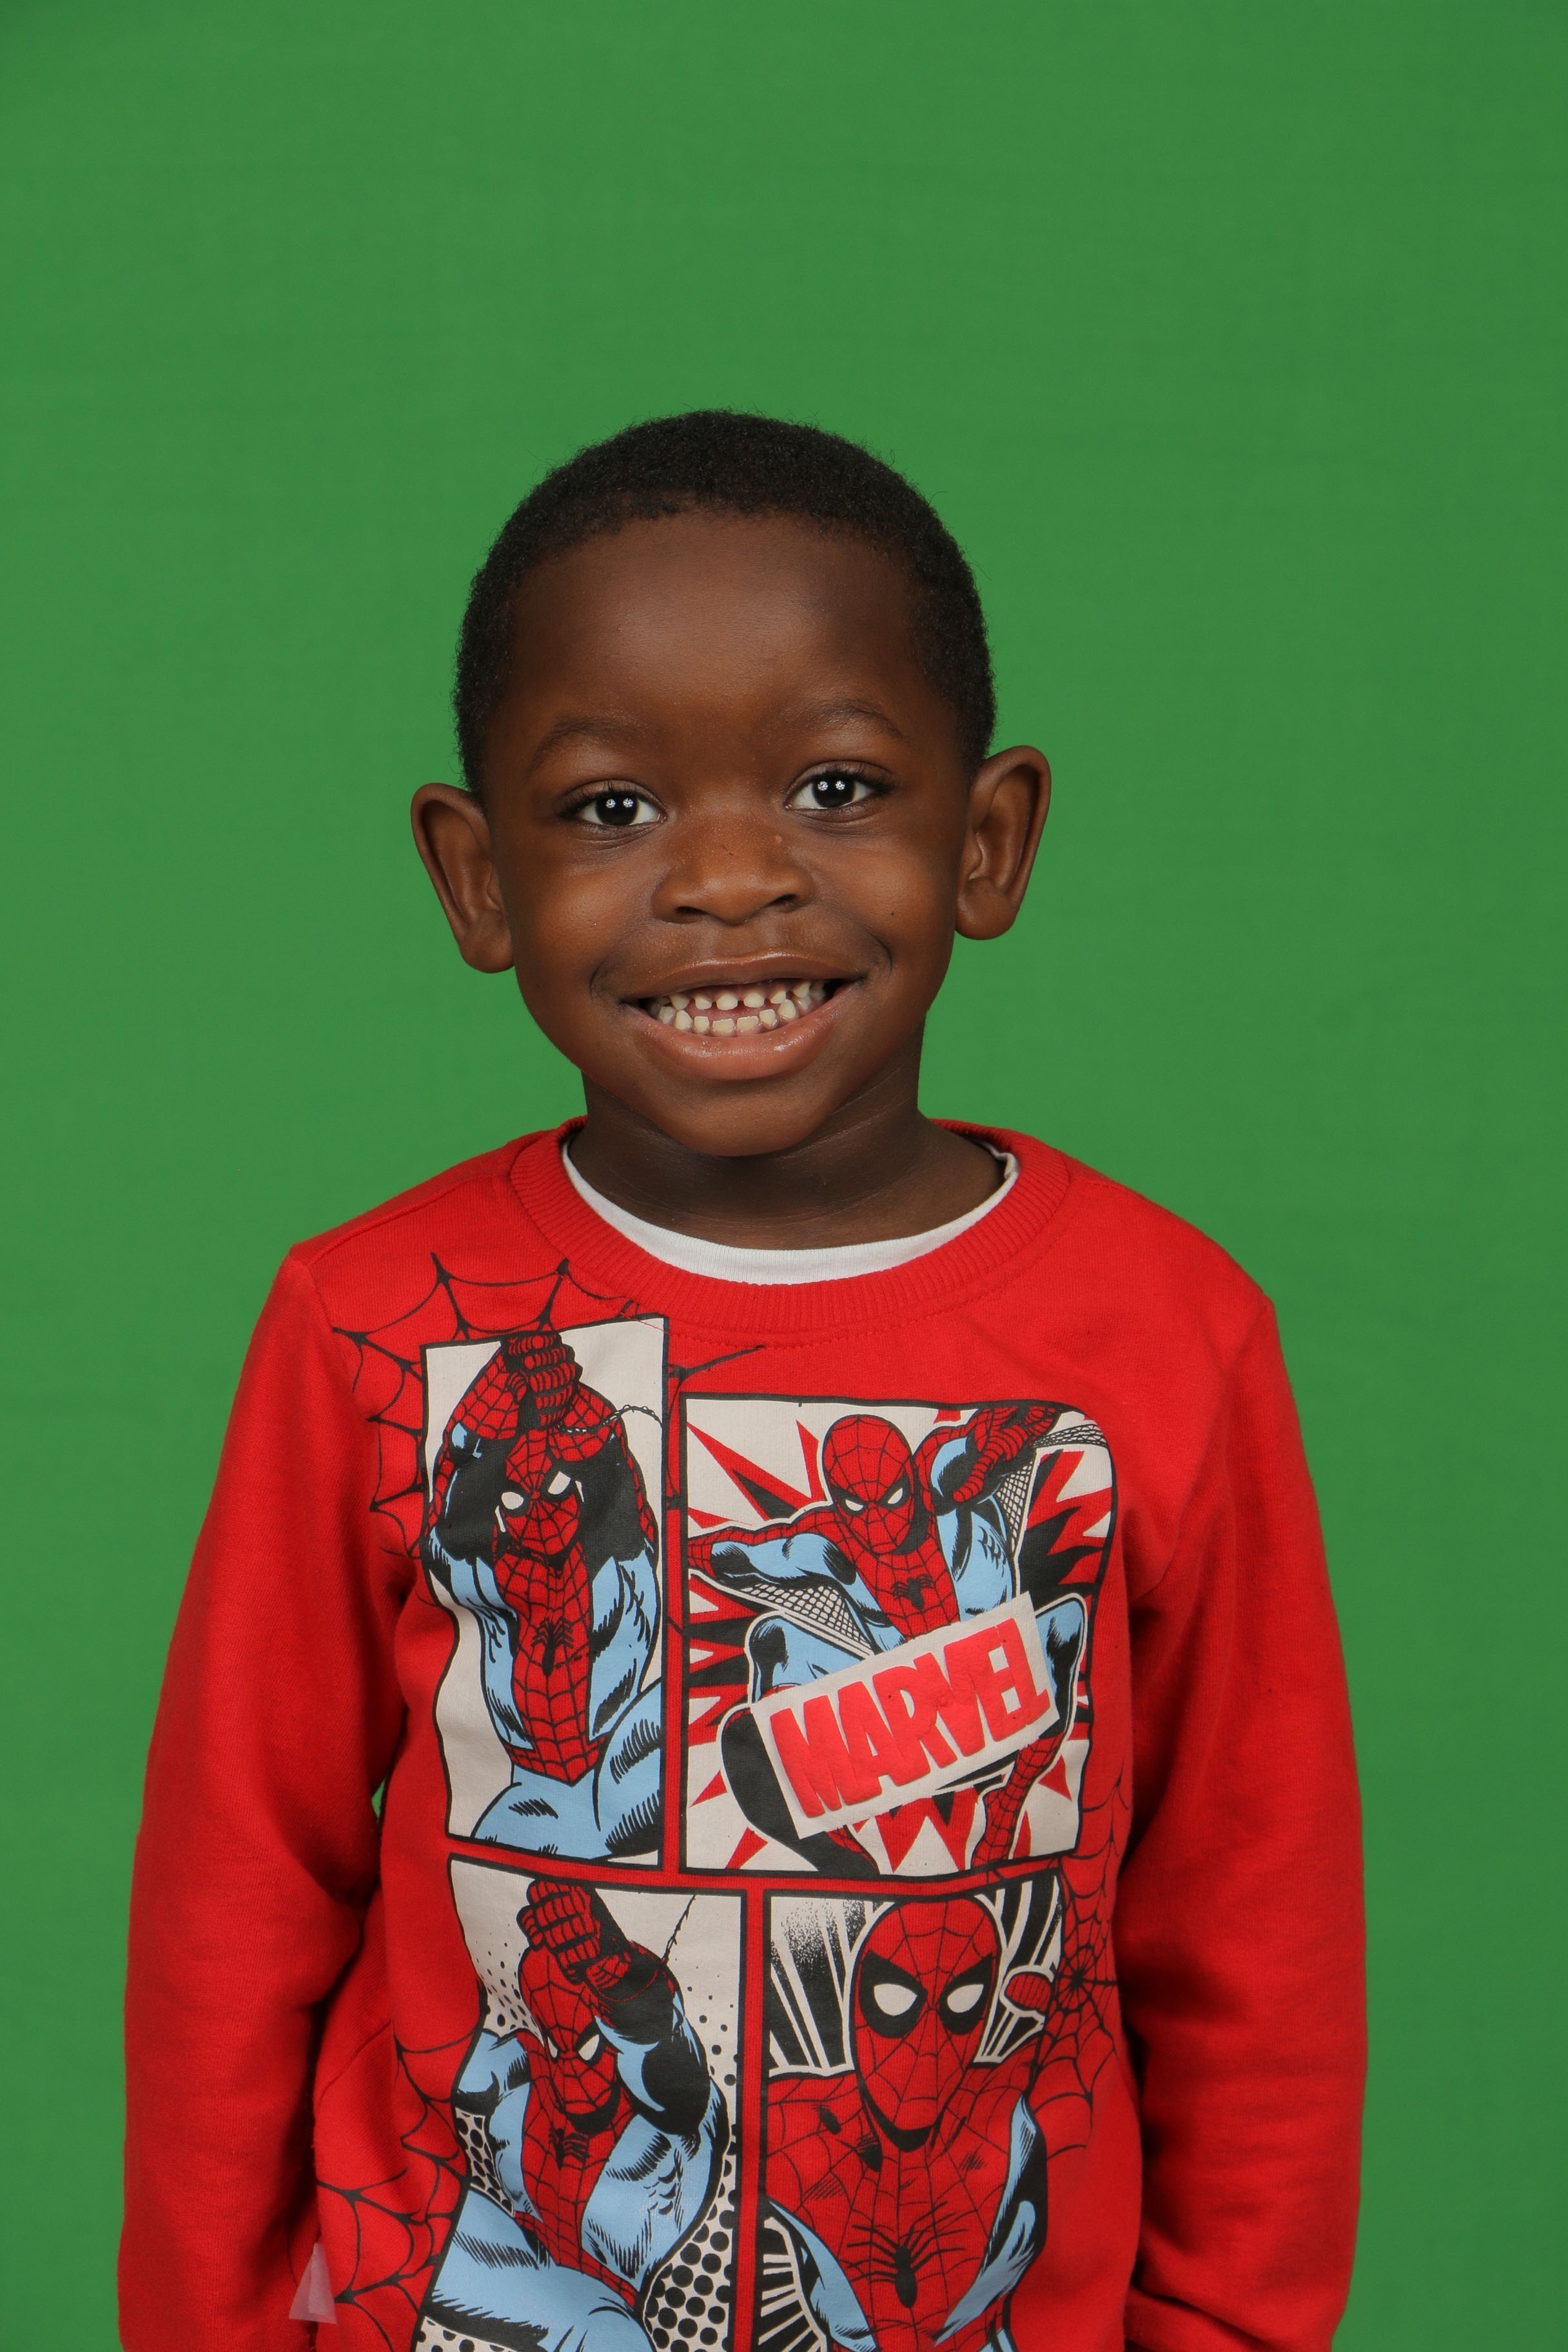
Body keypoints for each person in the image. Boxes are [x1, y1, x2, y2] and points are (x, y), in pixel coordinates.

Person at [121, 411, 1364, 2352]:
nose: (724, 879)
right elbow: (234, 1904)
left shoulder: (1171, 1330)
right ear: (475, 878)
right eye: (612, 806)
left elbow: (1253, 1933)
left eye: (835, 786)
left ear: (987, 839)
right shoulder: (363, 1321)